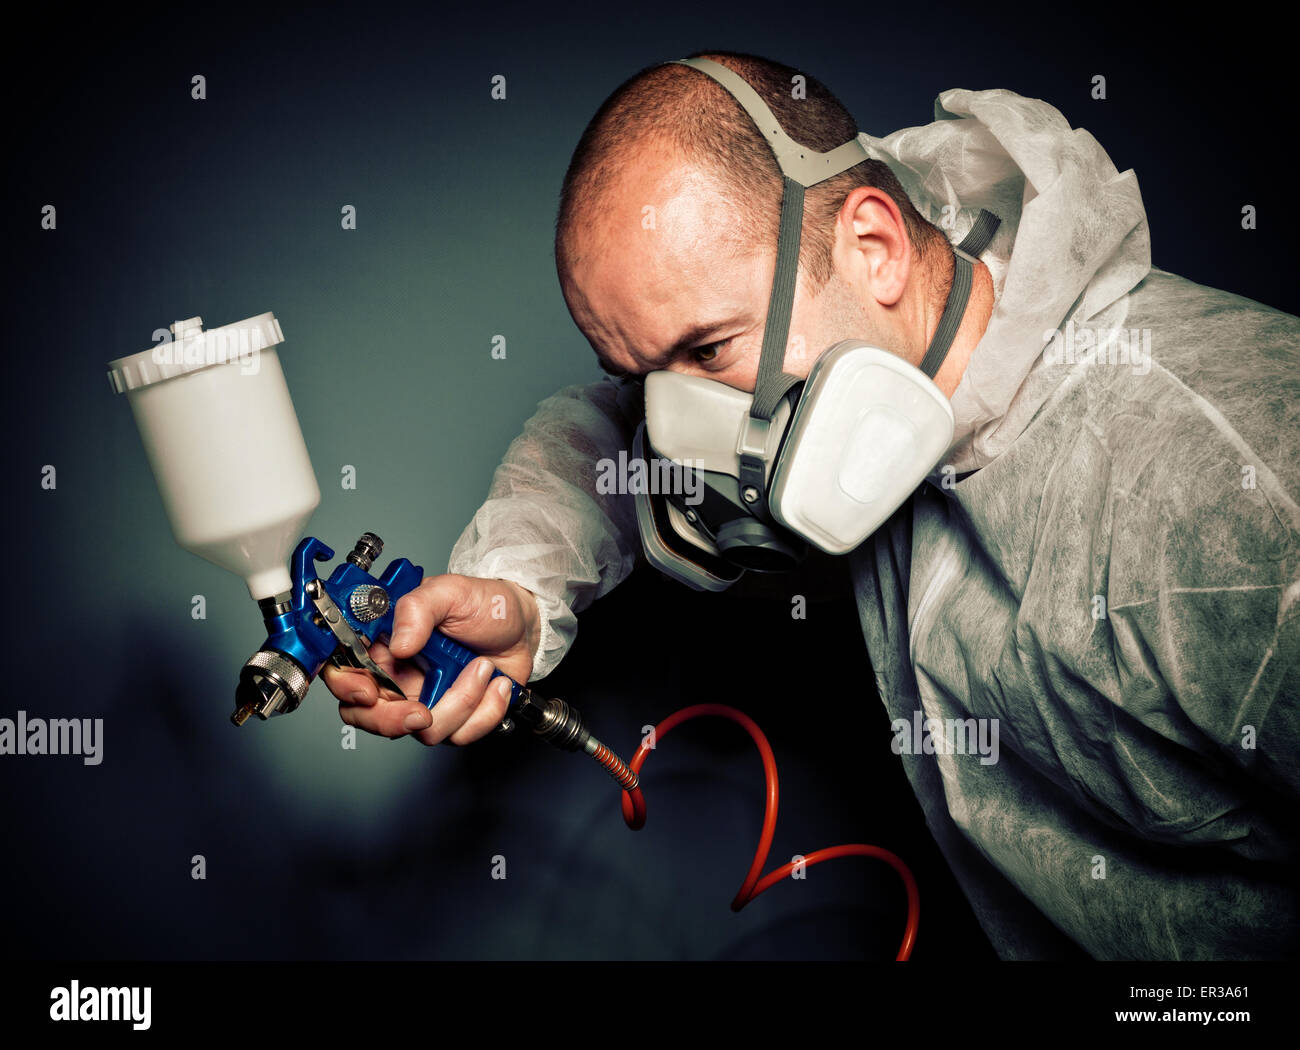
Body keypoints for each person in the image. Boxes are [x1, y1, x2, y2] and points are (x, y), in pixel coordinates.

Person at [321, 50, 1300, 959]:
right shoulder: (904, 371)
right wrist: (520, 592)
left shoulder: (1236, 490)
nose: (678, 435)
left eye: (707, 354)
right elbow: (603, 440)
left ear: (871, 243)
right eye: (645, 374)